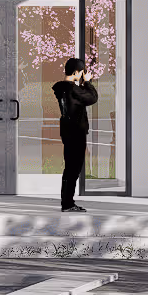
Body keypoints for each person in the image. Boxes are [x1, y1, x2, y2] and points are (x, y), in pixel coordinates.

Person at [50, 57, 98, 212]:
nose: (83, 75)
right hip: (76, 132)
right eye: (82, 72)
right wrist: (88, 82)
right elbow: (92, 98)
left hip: (67, 131)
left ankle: (67, 202)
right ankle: (68, 204)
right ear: (77, 72)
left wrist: (82, 83)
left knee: (70, 167)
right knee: (74, 168)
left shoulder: (61, 88)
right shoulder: (73, 89)